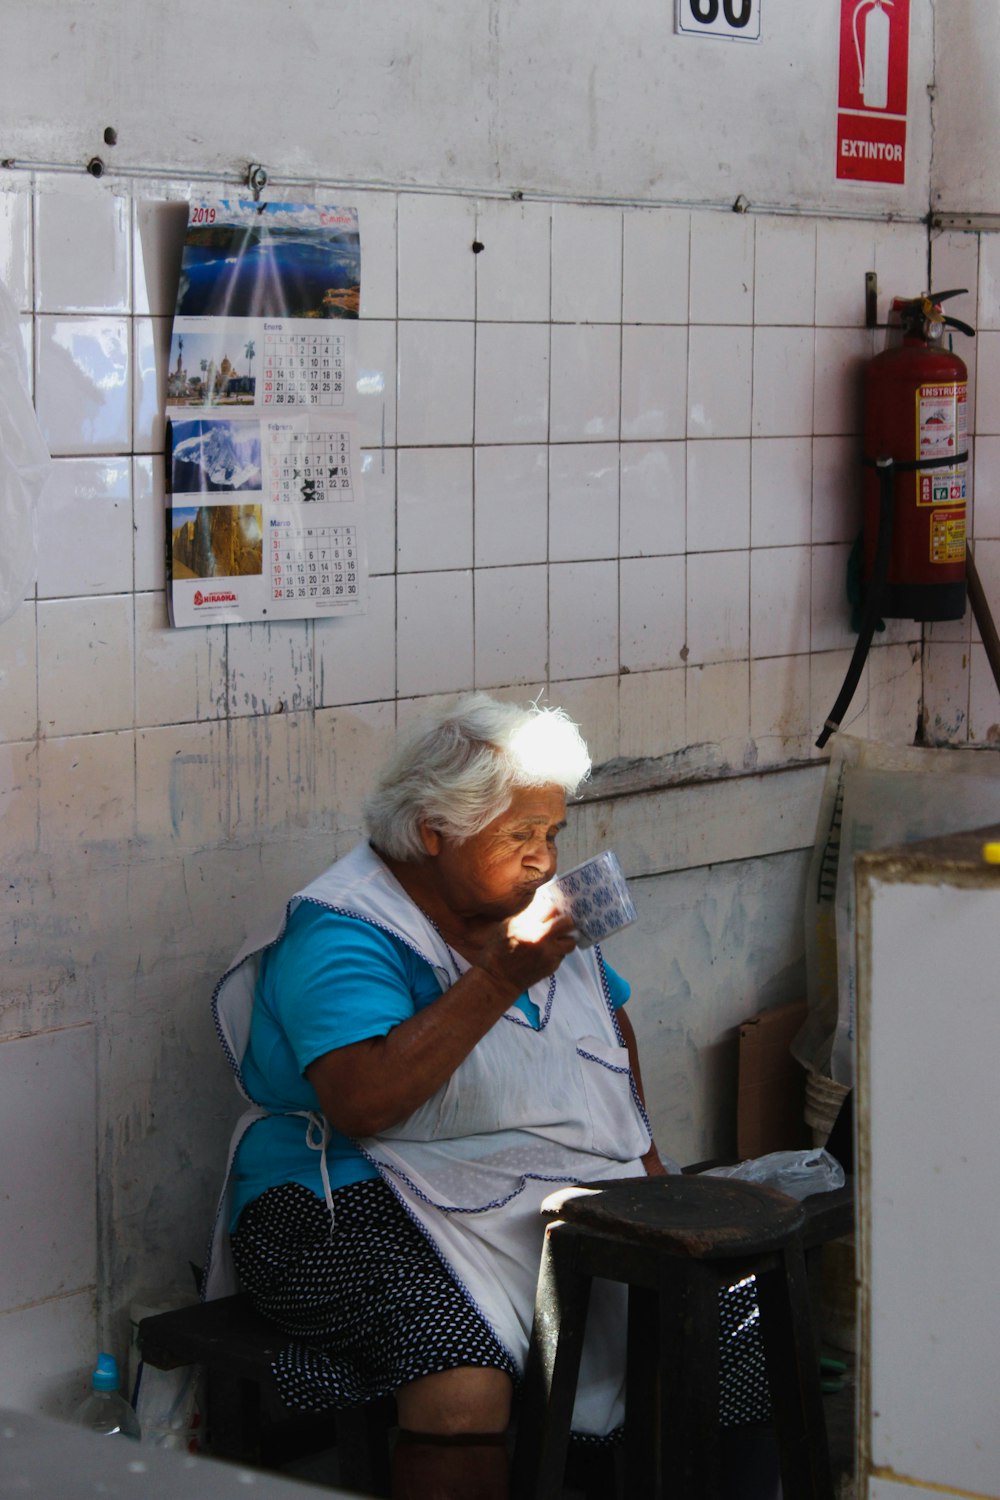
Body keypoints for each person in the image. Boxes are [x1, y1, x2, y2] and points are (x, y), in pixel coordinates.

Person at [206, 693, 665, 1498]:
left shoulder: (535, 915)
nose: (544, 861)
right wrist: (497, 978)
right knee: (461, 1376)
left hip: (524, 1187)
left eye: (551, 834)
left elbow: (609, 1028)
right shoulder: (345, 930)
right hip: (335, 1202)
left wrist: (652, 1175)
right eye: (520, 836)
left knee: (712, 1325)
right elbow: (363, 1102)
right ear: (433, 834)